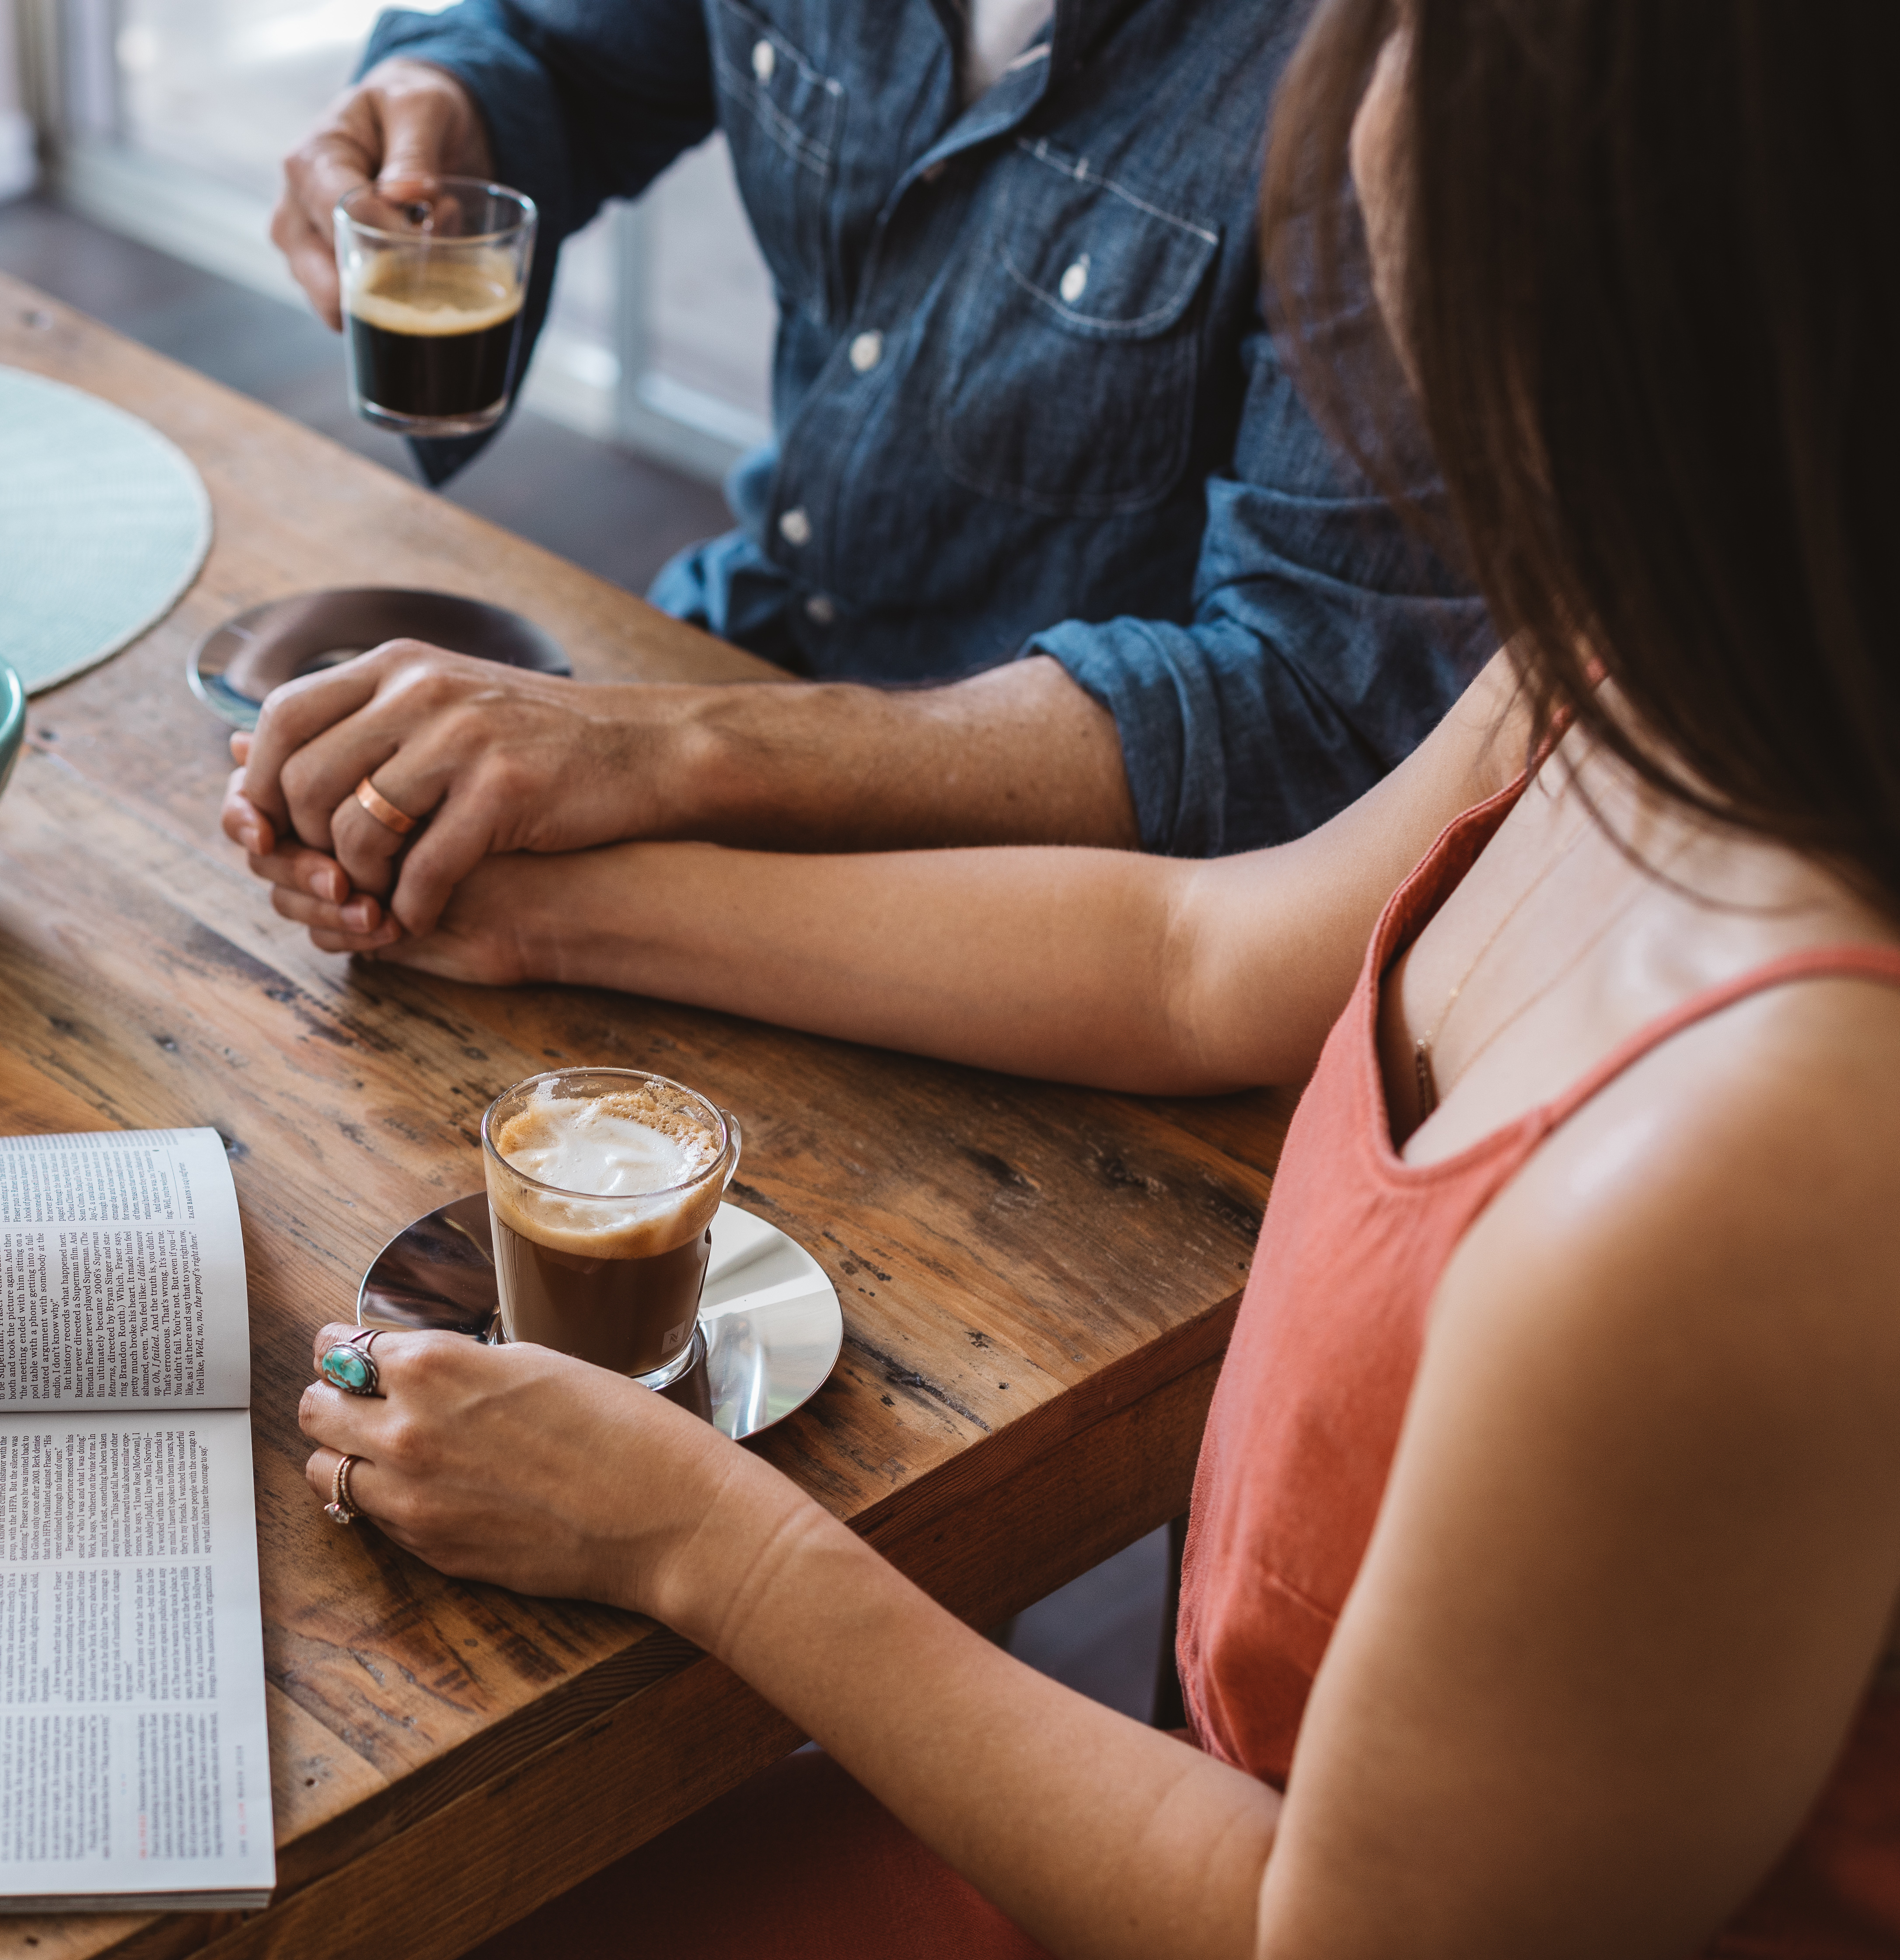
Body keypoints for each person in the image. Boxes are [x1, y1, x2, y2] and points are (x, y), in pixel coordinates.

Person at [294, 1, 1900, 1951]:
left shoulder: (1763, 1160)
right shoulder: (1621, 667)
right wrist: (557, 909)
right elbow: (1195, 956)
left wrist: (683, 1530)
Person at [232, 0, 1491, 945]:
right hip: (739, 655)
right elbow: (562, 47)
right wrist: (446, 87)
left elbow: (1320, 708)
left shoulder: (1404, 69)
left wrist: (666, 759)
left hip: (1083, 918)